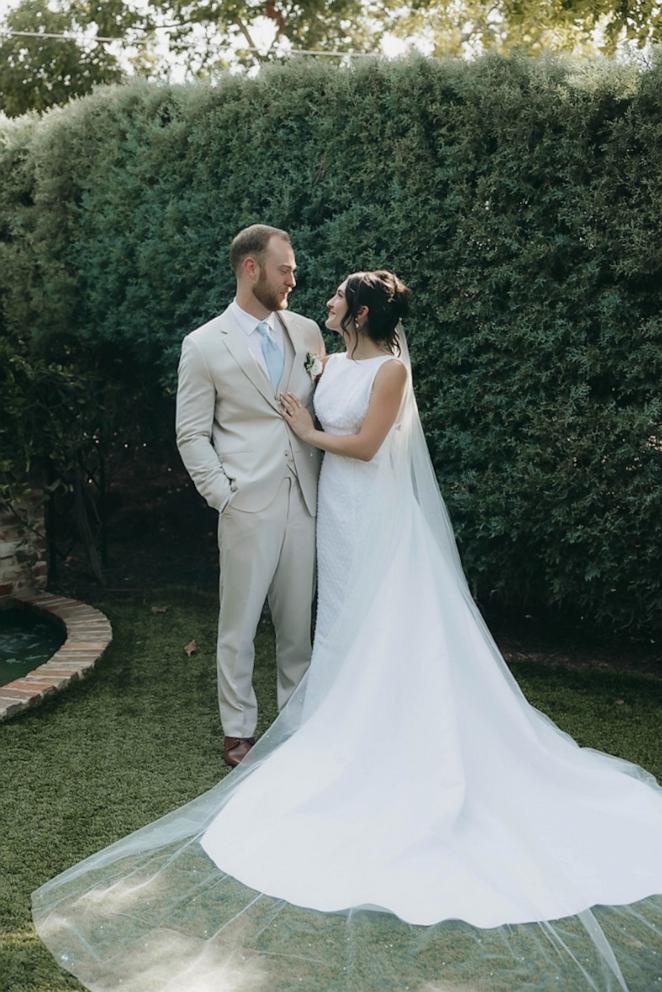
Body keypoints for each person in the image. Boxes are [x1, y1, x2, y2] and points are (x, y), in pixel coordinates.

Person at [32, 271, 662, 992]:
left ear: (359, 313)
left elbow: (364, 445)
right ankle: (337, 725)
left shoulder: (391, 370)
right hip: (334, 515)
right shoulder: (327, 360)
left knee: (383, 623)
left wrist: (305, 429)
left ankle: (393, 735)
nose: (324, 303)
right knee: (341, 624)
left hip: (374, 513)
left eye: (336, 297)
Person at [175, 224, 325, 768]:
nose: (294, 278)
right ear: (251, 268)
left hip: (305, 500)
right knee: (237, 627)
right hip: (245, 503)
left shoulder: (308, 332)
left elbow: (321, 405)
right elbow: (191, 433)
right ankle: (238, 730)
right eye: (285, 268)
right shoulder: (203, 344)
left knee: (296, 624)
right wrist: (223, 494)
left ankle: (296, 721)